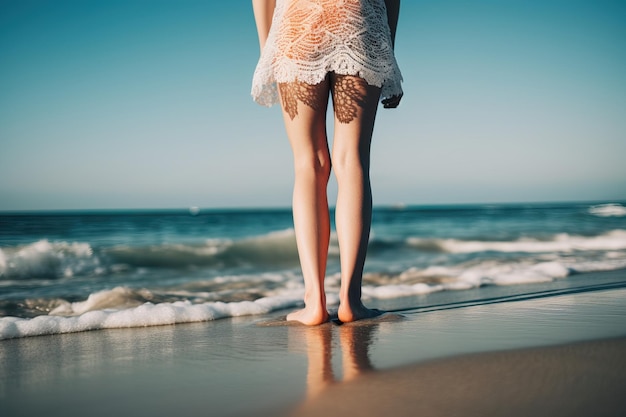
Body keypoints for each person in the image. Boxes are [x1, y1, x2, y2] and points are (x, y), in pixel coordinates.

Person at [251, 0, 403, 325]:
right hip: (360, 18)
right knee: (353, 162)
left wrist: (269, 49)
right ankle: (351, 300)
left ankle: (314, 302)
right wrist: (386, 46)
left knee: (309, 163)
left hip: (298, 20)